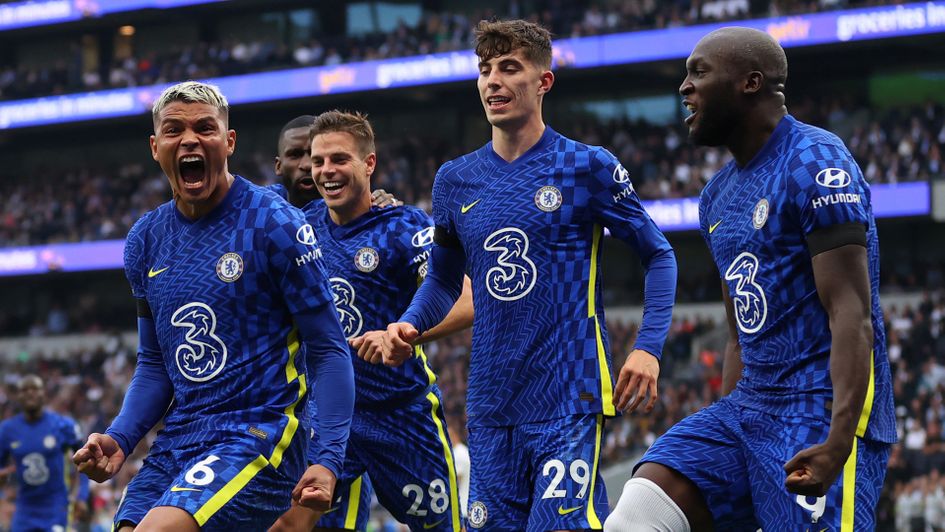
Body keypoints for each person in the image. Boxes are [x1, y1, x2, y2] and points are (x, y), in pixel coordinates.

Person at [378, 20, 677, 531]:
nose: (492, 81)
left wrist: (648, 346)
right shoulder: (455, 179)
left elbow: (660, 254)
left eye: (509, 68)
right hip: (491, 401)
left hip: (570, 391)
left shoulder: (586, 166)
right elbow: (444, 280)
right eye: (485, 70)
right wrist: (409, 323)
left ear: (544, 82)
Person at [604, 27, 896, 531]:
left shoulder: (815, 161)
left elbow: (851, 312)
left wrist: (839, 438)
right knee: (639, 510)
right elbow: (741, 330)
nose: (684, 87)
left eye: (699, 72)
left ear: (750, 82)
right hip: (749, 408)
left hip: (816, 409)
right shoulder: (716, 197)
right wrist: (734, 417)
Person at [72, 81, 355, 531]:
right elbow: (154, 364)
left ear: (229, 141)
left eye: (205, 128)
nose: (189, 140)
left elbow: (329, 349)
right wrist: (120, 438)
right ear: (155, 146)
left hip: (259, 432)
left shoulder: (273, 222)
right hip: (181, 437)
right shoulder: (146, 240)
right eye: (174, 130)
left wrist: (328, 458)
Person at [271, 110, 473, 532]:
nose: (326, 171)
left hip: (402, 414)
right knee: (288, 523)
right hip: (328, 419)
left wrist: (404, 332)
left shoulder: (403, 226)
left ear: (369, 164)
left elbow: (467, 297)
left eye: (340, 159)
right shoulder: (299, 230)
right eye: (318, 161)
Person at [0, 375, 89, 532]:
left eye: (35, 388)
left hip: (56, 507)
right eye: (24, 390)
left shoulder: (63, 425)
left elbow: (87, 461)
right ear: (18, 396)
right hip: (24, 509)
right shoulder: (7, 430)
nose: (30, 393)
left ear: (44, 393)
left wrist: (82, 496)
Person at [273, 114, 400, 210]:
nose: (307, 165)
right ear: (278, 166)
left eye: (315, 157)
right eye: (295, 155)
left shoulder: (373, 211)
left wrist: (387, 211)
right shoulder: (261, 207)